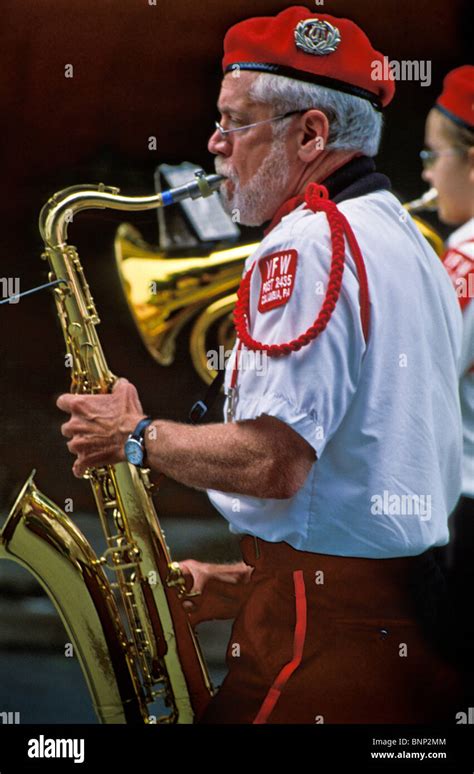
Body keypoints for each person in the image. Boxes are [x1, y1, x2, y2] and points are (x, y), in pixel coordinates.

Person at [56, 9, 463, 723]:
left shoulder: (307, 245)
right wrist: (246, 583)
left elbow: (277, 463)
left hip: (316, 640)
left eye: (234, 121)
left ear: (310, 134)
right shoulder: (405, 237)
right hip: (394, 616)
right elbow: (366, 494)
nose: (213, 144)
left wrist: (132, 434)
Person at [421, 65, 474, 695]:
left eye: (434, 158)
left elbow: (425, 377)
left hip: (464, 512)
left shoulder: (464, 256)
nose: (428, 176)